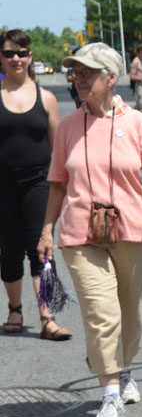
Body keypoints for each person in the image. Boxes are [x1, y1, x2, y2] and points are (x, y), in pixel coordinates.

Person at [36, 43, 142, 417]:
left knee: (130, 315)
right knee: (101, 314)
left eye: (87, 73)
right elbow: (58, 184)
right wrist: (47, 230)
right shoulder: (67, 126)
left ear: (111, 78)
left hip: (135, 229)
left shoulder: (136, 123)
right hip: (81, 233)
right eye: (76, 73)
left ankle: (123, 367)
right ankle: (110, 394)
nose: (79, 80)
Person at [0, 29, 68, 339]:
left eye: (21, 52)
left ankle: (47, 316)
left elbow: (57, 152)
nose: (16, 58)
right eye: (8, 53)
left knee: (40, 248)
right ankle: (15, 309)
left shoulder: (47, 98)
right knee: (9, 251)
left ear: (31, 57)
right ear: (0, 58)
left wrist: (62, 189)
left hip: (38, 184)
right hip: (3, 187)